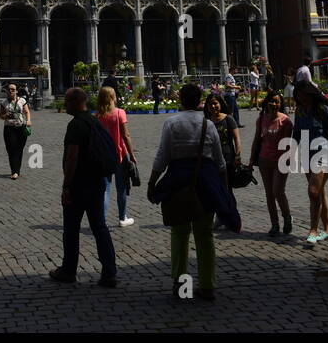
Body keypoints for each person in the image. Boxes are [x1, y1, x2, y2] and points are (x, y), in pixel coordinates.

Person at [147, 83, 237, 300]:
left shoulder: (172, 123)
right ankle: (207, 285)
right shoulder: (208, 124)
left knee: (179, 233)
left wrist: (152, 182)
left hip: (178, 181)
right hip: (205, 181)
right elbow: (220, 161)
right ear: (199, 102)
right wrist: (224, 189)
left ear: (180, 100)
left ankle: (181, 286)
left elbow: (162, 156)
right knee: (205, 234)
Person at [49, 87, 118, 288]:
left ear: (75, 102)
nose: (65, 104)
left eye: (67, 101)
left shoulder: (76, 125)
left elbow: (72, 157)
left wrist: (66, 185)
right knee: (100, 227)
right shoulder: (93, 121)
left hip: (79, 183)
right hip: (97, 182)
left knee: (71, 228)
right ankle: (109, 272)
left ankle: (68, 270)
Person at [293, 82, 328, 244]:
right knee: (319, 192)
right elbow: (296, 133)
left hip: (323, 153)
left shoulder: (321, 110)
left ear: (309, 94)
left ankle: (313, 230)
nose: (300, 98)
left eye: (303, 95)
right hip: (307, 154)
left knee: (313, 191)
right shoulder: (299, 112)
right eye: (298, 96)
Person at [252, 91, 294, 235]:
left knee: (278, 191)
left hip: (280, 160)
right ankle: (274, 224)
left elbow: (288, 144)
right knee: (269, 194)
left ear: (281, 104)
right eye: (272, 101)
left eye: (277, 102)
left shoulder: (286, 121)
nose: (274, 104)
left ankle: (287, 217)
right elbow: (257, 139)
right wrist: (252, 159)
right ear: (267, 102)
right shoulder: (261, 119)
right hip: (264, 159)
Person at [96, 86, 137, 227]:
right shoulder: (119, 113)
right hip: (120, 155)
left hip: (103, 156)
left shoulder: (97, 116)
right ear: (113, 97)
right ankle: (122, 217)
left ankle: (101, 220)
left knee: (105, 190)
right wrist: (132, 155)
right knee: (122, 188)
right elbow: (126, 136)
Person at [204, 93, 244, 232]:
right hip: (211, 160)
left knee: (227, 190)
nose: (214, 106)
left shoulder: (229, 119)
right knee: (214, 190)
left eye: (215, 103)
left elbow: (237, 139)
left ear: (220, 104)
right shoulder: (207, 122)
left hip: (228, 159)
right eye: (211, 104)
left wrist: (238, 156)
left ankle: (232, 216)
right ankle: (221, 216)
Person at [0, 82, 32, 180]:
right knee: (11, 150)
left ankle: (17, 170)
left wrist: (29, 120)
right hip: (9, 128)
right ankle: (14, 171)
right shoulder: (4, 102)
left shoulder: (22, 100)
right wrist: (6, 115)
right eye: (9, 89)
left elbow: (27, 112)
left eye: (13, 89)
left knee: (19, 149)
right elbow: (1, 116)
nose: (10, 91)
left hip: (21, 127)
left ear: (17, 91)